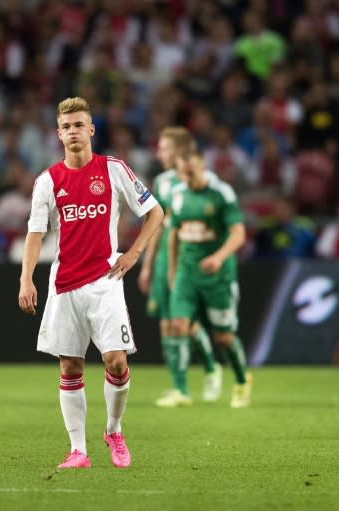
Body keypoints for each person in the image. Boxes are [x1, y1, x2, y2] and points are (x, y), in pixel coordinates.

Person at [18, 97, 164, 469]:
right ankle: (78, 450)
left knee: (116, 362)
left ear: (91, 129)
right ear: (58, 133)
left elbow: (155, 212)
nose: (73, 132)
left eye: (79, 125)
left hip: (105, 281)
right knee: (70, 368)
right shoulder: (48, 181)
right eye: (66, 127)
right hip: (64, 284)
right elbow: (35, 234)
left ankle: (114, 430)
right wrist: (26, 279)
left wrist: (133, 254)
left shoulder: (113, 169)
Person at [137, 127, 222, 407]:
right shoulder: (162, 182)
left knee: (185, 322)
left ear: (179, 150)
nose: (160, 153)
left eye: (164, 148)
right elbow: (157, 225)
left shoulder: (202, 182)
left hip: (189, 257)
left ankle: (211, 368)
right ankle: (180, 389)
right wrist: (147, 265)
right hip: (163, 257)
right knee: (167, 323)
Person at [168, 148, 253, 408]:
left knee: (224, 338)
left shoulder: (221, 194)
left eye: (190, 171)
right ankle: (181, 391)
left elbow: (238, 234)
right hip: (187, 272)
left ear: (201, 166)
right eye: (182, 172)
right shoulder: (178, 195)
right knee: (180, 326)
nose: (186, 176)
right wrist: (172, 271)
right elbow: (174, 234)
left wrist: (219, 257)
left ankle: (241, 379)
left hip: (217, 276)